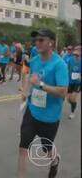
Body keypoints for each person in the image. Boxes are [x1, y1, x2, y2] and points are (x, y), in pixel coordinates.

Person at [18, 29, 68, 178]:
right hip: (32, 112)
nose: (37, 43)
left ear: (51, 42)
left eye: (41, 40)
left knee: (46, 149)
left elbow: (63, 91)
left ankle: (55, 160)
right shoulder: (35, 60)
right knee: (23, 149)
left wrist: (40, 84)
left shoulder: (60, 64)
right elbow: (29, 77)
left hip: (50, 116)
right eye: (36, 40)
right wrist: (25, 91)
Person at [66, 45, 81, 119]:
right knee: (68, 99)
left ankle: (72, 112)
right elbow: (66, 69)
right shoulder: (70, 60)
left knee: (72, 98)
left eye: (79, 50)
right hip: (70, 82)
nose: (77, 51)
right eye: (76, 50)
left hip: (78, 83)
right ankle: (74, 104)